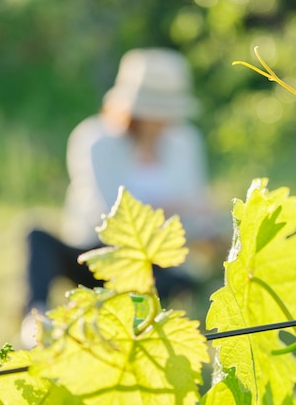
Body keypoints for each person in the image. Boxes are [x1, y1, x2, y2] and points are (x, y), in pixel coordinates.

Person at [22, 48, 216, 344]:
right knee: (37, 236)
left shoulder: (186, 142)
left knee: (179, 280)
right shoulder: (94, 139)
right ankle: (34, 316)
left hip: (158, 263)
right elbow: (108, 216)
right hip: (98, 256)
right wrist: (175, 209)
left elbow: (198, 212)